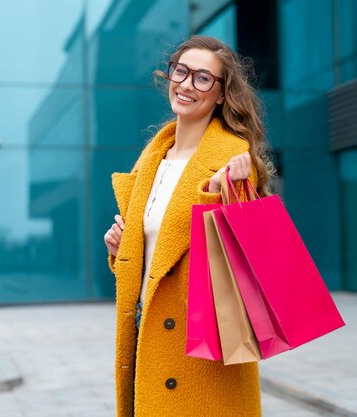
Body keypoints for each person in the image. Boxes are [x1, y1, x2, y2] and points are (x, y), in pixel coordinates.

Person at [103, 36, 274, 417]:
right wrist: (121, 253)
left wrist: (230, 191)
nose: (185, 84)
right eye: (180, 71)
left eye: (202, 78)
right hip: (149, 338)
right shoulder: (153, 160)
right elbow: (158, 257)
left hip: (202, 352)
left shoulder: (232, 160)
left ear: (220, 95)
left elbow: (246, 262)